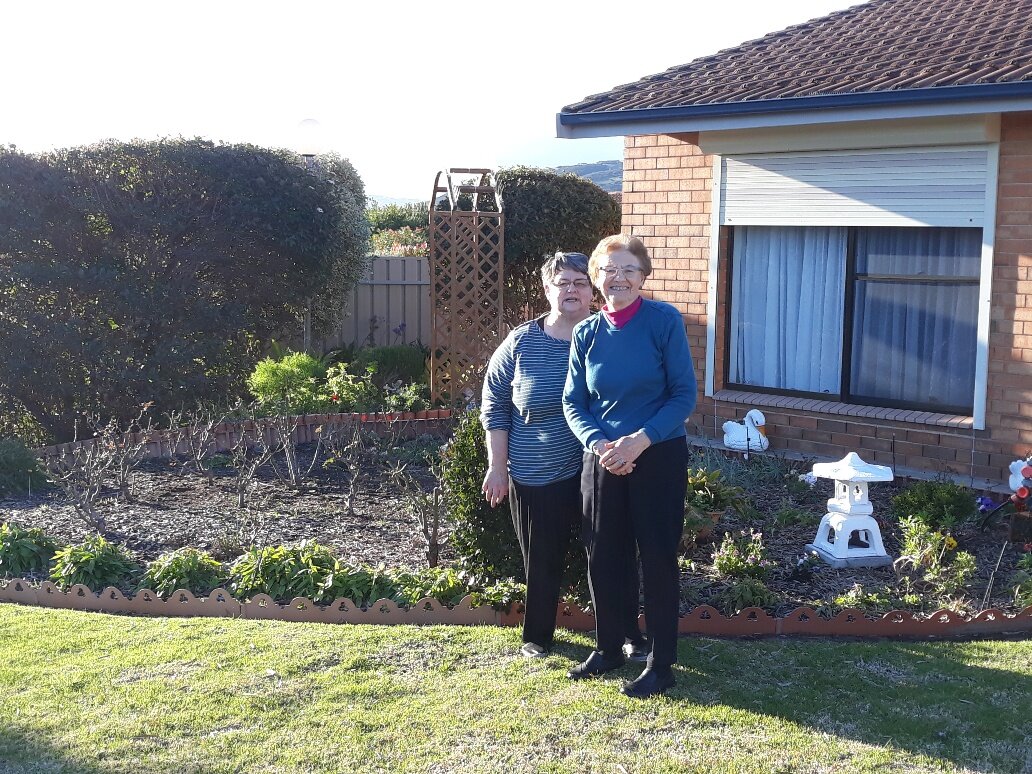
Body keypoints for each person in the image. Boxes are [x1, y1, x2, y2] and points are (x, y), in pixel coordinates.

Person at [481, 252, 647, 660]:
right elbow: (494, 405)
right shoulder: (521, 341)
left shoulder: (611, 336)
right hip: (536, 469)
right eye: (562, 282)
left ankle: (627, 633)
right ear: (546, 289)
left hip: (601, 468)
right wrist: (496, 467)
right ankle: (537, 635)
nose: (571, 290)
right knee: (541, 558)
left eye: (579, 282)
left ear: (593, 290)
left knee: (613, 555)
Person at [563, 234, 697, 698]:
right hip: (601, 459)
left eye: (628, 270)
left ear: (644, 276)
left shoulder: (664, 321)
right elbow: (574, 401)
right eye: (608, 270)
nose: (617, 278)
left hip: (657, 455)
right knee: (603, 556)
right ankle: (608, 648)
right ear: (596, 277)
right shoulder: (587, 332)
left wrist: (639, 442)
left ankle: (661, 663)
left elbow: (683, 396)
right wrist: (600, 444)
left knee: (657, 558)